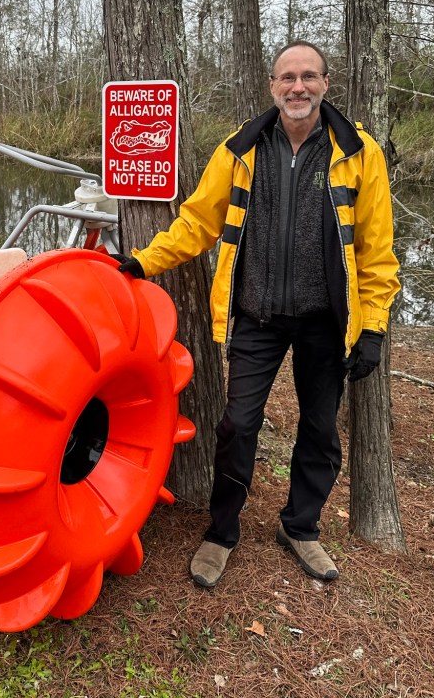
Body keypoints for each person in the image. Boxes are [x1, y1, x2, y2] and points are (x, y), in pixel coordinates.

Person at [115, 41, 400, 587]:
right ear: (272, 85)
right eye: (287, 77)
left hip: (326, 322)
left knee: (319, 430)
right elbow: (198, 222)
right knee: (238, 424)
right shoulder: (241, 148)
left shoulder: (358, 152)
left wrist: (373, 327)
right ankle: (222, 531)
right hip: (257, 316)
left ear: (325, 83)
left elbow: (376, 250)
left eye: (308, 76)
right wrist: (145, 261)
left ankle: (301, 527)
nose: (298, 86)